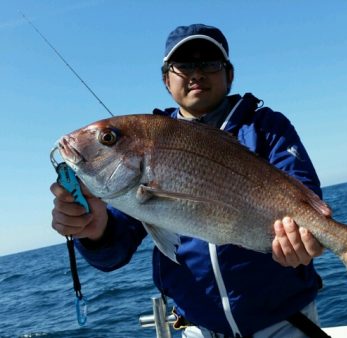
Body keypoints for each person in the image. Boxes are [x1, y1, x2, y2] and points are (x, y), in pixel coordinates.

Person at [50, 24, 329, 338]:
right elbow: (114, 251)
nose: (196, 73)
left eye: (209, 62)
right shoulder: (147, 146)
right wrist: (95, 232)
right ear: (166, 79)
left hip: (284, 323)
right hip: (198, 328)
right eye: (183, 65)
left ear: (229, 74)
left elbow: (306, 204)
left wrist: (306, 236)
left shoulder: (267, 127)